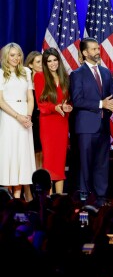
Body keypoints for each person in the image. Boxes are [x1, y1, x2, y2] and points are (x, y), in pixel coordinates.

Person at [70, 37, 113, 205]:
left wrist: (112, 104)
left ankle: (101, 197)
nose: (97, 52)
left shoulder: (106, 72)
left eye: (97, 48)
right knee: (85, 163)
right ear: (84, 53)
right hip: (86, 126)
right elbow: (77, 100)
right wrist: (101, 104)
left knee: (102, 163)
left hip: (103, 126)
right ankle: (85, 197)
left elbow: (112, 95)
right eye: (93, 49)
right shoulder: (77, 74)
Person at [34, 48, 73, 195]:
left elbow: (68, 100)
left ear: (59, 61)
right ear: (45, 63)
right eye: (49, 61)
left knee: (60, 161)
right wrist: (54, 107)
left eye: (55, 60)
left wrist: (67, 107)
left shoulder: (65, 77)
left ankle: (59, 198)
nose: (52, 63)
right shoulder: (39, 76)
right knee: (49, 161)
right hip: (48, 123)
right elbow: (40, 103)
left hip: (62, 122)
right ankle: (48, 198)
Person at [0, 43, 35, 199]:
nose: (16, 58)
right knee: (10, 154)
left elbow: (30, 98)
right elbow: (0, 101)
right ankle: (8, 199)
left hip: (25, 119)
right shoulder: (1, 74)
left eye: (18, 55)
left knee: (23, 155)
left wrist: (27, 116)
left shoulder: (26, 72)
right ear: (5, 56)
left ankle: (19, 197)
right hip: (9, 118)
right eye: (12, 55)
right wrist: (17, 116)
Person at [24, 50, 43, 172]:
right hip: (30, 120)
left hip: (44, 119)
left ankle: (40, 181)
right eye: (38, 62)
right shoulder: (25, 81)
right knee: (31, 151)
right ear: (30, 65)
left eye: (43, 61)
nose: (42, 64)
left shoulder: (47, 80)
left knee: (41, 152)